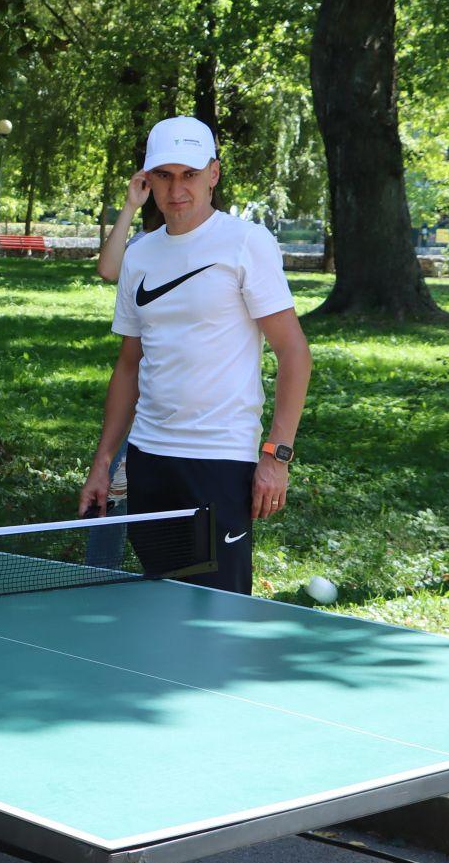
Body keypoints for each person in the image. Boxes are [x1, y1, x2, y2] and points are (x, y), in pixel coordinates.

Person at [79, 116, 312, 595]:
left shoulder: (246, 243)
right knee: (161, 603)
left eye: (188, 174)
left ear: (214, 174)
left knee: (219, 615)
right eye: (163, 175)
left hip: (219, 462)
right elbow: (128, 364)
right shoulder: (140, 256)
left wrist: (276, 456)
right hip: (148, 460)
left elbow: (294, 352)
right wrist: (104, 461)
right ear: (149, 180)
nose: (176, 188)